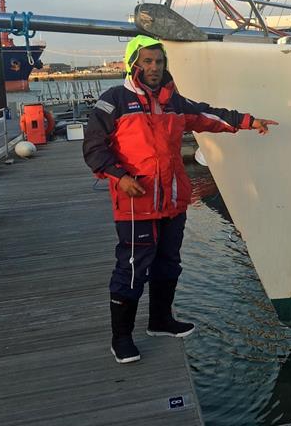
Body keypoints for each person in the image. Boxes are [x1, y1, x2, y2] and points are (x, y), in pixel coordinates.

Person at [83, 35, 277, 364]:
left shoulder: (174, 102)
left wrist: (246, 121)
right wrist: (119, 177)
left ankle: (161, 321)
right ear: (134, 64)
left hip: (173, 200)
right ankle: (122, 338)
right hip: (137, 203)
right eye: (147, 61)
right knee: (131, 269)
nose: (154, 67)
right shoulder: (113, 100)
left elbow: (206, 116)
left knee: (169, 263)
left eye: (159, 62)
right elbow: (93, 147)